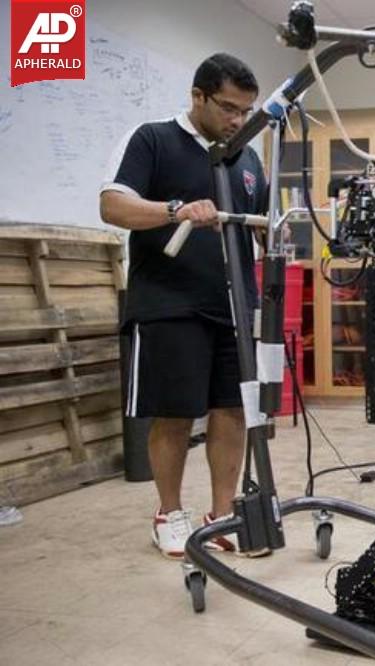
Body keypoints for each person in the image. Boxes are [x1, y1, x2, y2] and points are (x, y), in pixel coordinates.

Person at [100, 53, 268, 559]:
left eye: (246, 111)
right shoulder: (153, 139)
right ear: (197, 96)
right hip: (169, 303)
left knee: (233, 411)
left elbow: (260, 226)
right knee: (174, 415)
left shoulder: (248, 158)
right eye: (228, 108)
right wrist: (175, 209)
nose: (238, 120)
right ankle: (169, 514)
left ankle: (221, 516)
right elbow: (112, 205)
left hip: (233, 304)